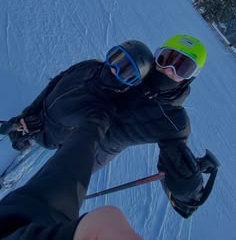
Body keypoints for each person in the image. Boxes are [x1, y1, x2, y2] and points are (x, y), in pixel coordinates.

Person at [0, 35, 219, 221]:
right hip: (70, 124)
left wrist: (189, 186)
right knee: (46, 140)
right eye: (167, 58)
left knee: (53, 178)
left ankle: (26, 192)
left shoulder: (172, 121)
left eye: (182, 67)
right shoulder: (134, 68)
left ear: (190, 77)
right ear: (157, 55)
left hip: (94, 152)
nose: (169, 69)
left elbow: (178, 173)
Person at [0, 40, 153, 239]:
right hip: (37, 119)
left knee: (34, 168)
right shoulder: (90, 66)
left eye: (125, 72)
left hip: (51, 141)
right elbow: (56, 82)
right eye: (116, 58)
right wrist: (30, 111)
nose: (114, 69)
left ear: (132, 83)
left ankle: (9, 180)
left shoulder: (102, 111)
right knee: (16, 138)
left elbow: (86, 143)